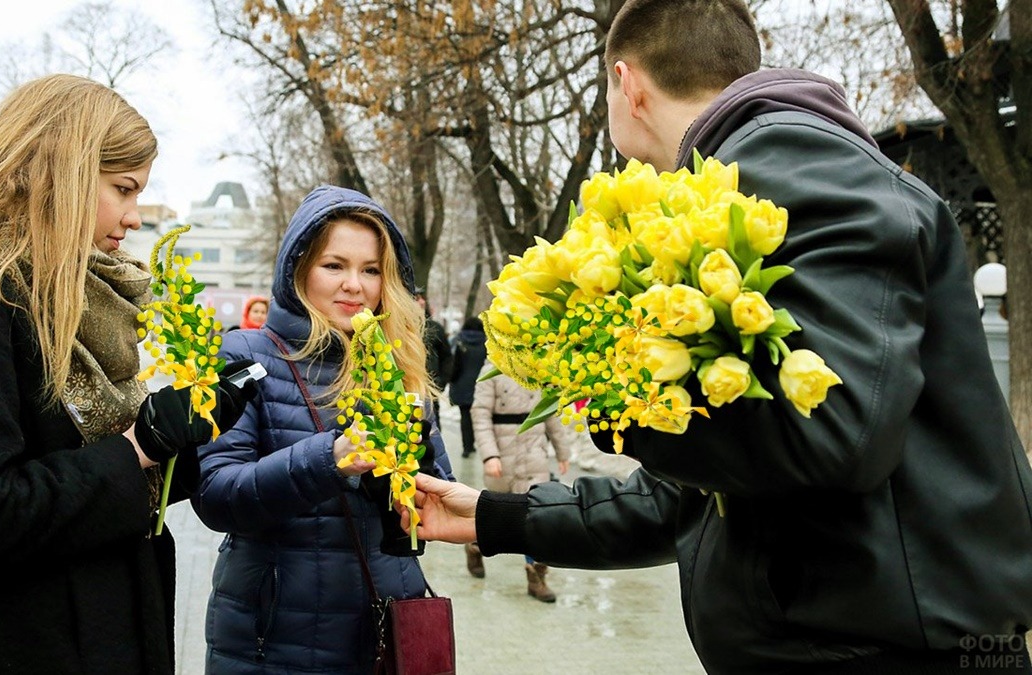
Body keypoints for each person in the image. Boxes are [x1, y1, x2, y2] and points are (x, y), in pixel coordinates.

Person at [407, 1, 1032, 673]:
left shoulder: (791, 159)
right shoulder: (747, 176)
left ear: (629, 83)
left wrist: (611, 381)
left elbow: (833, 436)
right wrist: (497, 518)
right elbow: (704, 489)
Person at [0, 75, 258, 674]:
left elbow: (98, 479)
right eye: (123, 189)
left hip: (118, 631)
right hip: (31, 644)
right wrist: (141, 445)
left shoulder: (75, 299)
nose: (135, 217)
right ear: (60, 171)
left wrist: (194, 437)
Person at [191, 185, 455, 673]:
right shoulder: (244, 356)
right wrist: (330, 458)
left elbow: (439, 487)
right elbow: (215, 494)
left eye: (371, 270)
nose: (355, 285)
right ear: (298, 271)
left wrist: (414, 487)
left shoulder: (397, 362)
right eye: (334, 265)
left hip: (383, 626)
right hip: (274, 637)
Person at [467, 365, 571, 600]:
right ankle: (474, 545)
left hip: (535, 453)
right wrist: (489, 454)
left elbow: (551, 413)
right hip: (503, 453)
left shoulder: (543, 368)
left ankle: (537, 575)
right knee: (497, 514)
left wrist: (562, 452)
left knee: (536, 514)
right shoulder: (491, 370)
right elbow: (480, 414)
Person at [447, 316, 487, 458]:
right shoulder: (486, 344)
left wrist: (452, 380)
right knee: (481, 417)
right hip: (482, 385)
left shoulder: (460, 343)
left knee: (465, 416)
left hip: (463, 385)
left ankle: (467, 446)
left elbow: (455, 366)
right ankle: (478, 444)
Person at [414, 286, 453, 424]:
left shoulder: (435, 328)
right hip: (407, 393)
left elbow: (447, 357)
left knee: (433, 433)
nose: (422, 302)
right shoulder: (397, 327)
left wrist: (440, 383)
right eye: (417, 298)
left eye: (422, 298)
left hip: (430, 392)